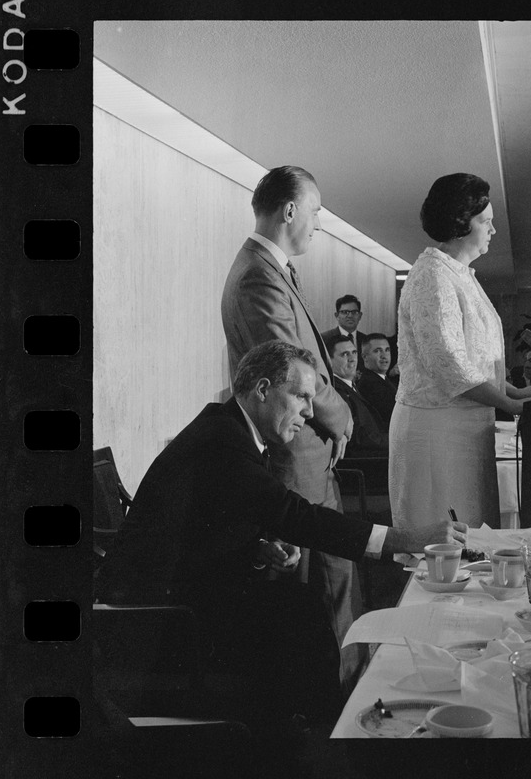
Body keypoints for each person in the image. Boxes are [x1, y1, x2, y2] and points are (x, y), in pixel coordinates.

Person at [96, 341, 464, 739]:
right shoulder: (223, 442)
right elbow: (294, 515)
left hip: (183, 592)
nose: (309, 412)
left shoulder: (230, 430)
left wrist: (257, 550)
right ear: (263, 389)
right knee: (300, 617)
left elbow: (202, 526)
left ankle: (311, 731)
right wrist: (407, 538)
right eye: (301, 397)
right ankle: (319, 741)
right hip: (158, 623)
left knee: (301, 608)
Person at [220, 166, 360, 689]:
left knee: (332, 578)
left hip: (306, 449)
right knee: (319, 588)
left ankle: (344, 692)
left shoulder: (269, 268)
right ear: (290, 211)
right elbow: (290, 371)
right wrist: (340, 413)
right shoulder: (258, 273)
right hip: (294, 453)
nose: (320, 223)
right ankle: (334, 706)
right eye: (317, 211)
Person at [390, 173, 531, 533]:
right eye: (486, 221)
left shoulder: (459, 274)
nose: (493, 230)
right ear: (461, 223)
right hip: (438, 431)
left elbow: (473, 359)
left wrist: (514, 391)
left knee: (471, 537)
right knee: (445, 541)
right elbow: (449, 365)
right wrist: (510, 405)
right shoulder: (433, 275)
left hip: (465, 428)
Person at [328, 335, 388, 457]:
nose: (352, 359)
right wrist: (392, 441)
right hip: (364, 461)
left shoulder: (350, 386)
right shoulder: (336, 391)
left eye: (354, 353)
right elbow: (357, 436)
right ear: (329, 360)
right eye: (345, 354)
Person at [357, 333, 398, 426]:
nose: (384, 356)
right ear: (364, 357)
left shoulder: (381, 379)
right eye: (377, 351)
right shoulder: (370, 385)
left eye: (387, 350)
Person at [320, 295, 368, 366]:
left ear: (360, 316)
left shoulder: (366, 340)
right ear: (337, 315)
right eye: (345, 312)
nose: (350, 316)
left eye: (354, 312)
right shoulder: (324, 339)